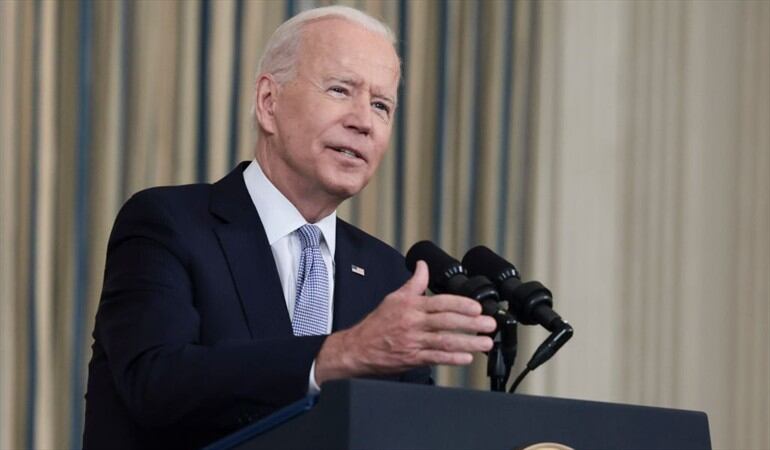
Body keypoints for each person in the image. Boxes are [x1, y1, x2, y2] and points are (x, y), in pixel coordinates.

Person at [83, 6, 495, 449]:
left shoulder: (387, 273)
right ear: (268, 102)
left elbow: (410, 431)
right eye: (340, 90)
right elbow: (155, 382)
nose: (364, 121)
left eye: (381, 105)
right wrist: (337, 355)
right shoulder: (169, 224)